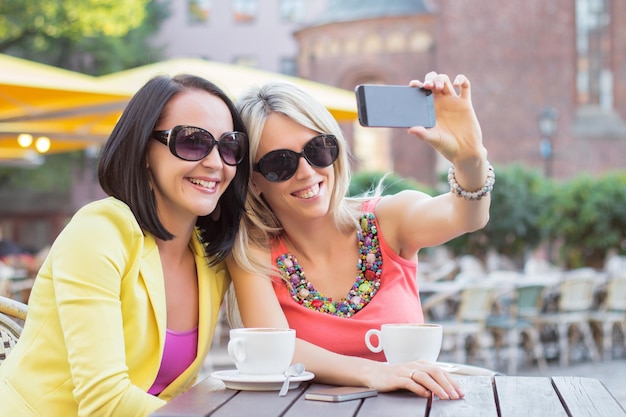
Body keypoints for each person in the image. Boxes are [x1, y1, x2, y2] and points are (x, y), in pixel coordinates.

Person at [227, 72, 493, 400]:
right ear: (253, 181)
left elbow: (468, 216)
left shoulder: (389, 219)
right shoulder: (251, 250)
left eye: (318, 149)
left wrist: (471, 159)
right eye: (279, 163)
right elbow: (274, 349)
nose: (307, 172)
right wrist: (374, 372)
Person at [0, 73, 249, 417]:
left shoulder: (212, 260)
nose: (215, 162)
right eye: (193, 142)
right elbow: (105, 400)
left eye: (230, 146)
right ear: (145, 150)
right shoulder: (100, 230)